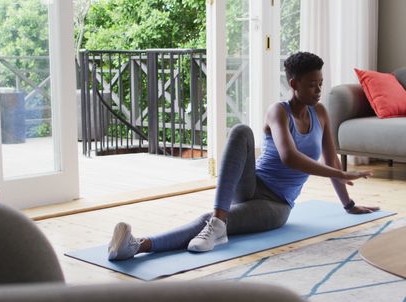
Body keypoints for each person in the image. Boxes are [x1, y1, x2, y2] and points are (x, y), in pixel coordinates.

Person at [108, 52, 379, 261]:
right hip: (251, 185)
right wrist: (340, 173)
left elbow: (331, 160)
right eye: (311, 85)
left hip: (276, 205)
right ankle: (218, 222)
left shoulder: (320, 113)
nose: (318, 91)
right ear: (293, 83)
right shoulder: (279, 111)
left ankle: (138, 245)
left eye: (320, 84)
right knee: (240, 130)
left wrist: (349, 204)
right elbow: (289, 157)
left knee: (208, 220)